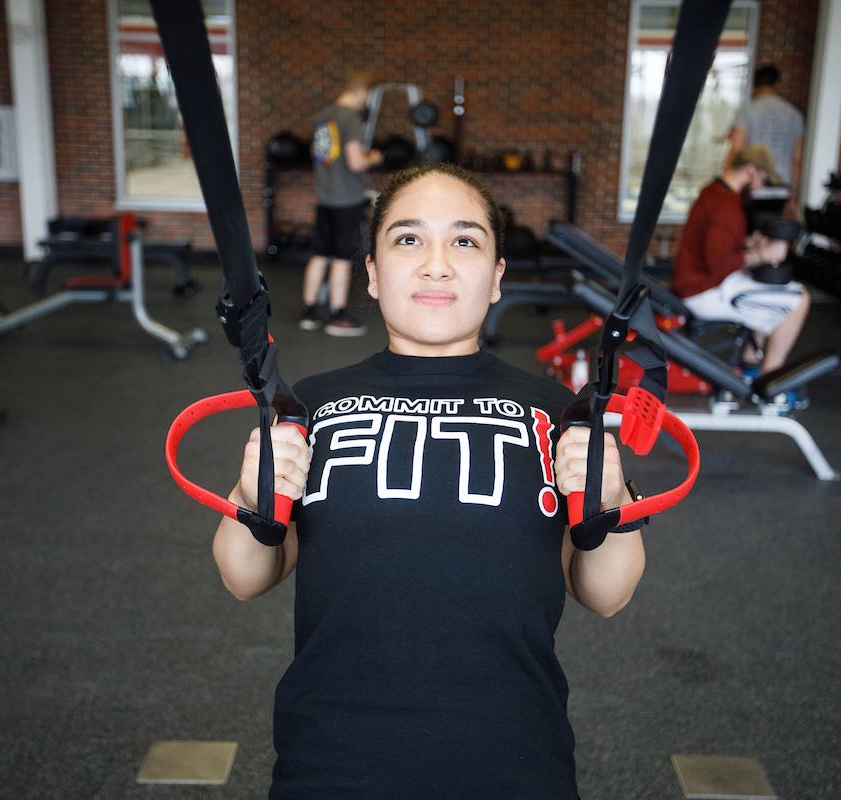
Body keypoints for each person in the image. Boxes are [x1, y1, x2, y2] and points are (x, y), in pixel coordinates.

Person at [216, 163, 646, 798]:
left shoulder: (558, 412)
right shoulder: (312, 403)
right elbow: (246, 576)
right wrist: (253, 497)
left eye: (466, 240)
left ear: (498, 277)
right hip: (331, 761)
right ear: (371, 272)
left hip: (514, 761)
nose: (436, 264)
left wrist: (610, 499)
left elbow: (606, 593)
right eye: (408, 239)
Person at [671, 143, 809, 375]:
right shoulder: (725, 205)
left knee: (769, 290)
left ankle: (749, 361)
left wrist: (746, 243)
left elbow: (715, 243)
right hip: (704, 291)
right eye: (761, 179)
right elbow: (718, 264)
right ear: (750, 170)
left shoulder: (714, 191)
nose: (759, 187)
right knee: (799, 300)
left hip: (699, 282)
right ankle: (770, 383)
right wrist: (762, 254)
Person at [299, 70, 385, 337]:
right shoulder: (350, 118)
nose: (366, 103)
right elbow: (355, 162)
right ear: (361, 92)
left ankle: (309, 313)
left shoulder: (323, 116)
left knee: (320, 254)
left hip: (325, 197)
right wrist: (375, 157)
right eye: (367, 97)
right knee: (342, 259)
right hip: (346, 199)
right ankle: (337, 316)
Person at [725, 64, 805, 220]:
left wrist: (726, 186)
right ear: (777, 85)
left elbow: (736, 150)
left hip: (752, 188)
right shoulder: (794, 115)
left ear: (754, 85)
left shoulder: (748, 112)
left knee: (748, 239)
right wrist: (794, 197)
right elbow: (796, 160)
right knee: (771, 239)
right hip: (781, 191)